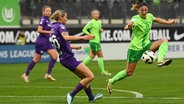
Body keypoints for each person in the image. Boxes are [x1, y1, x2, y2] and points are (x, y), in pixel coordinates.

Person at [106, 1, 177, 94]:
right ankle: (111, 81)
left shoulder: (150, 16)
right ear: (138, 10)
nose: (144, 12)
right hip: (135, 49)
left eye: (145, 10)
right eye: (142, 10)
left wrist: (169, 22)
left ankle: (160, 60)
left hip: (147, 45)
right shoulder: (135, 18)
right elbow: (127, 26)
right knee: (129, 72)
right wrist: (129, 26)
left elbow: (157, 20)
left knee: (164, 41)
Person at [50, 9, 103, 104]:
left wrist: (74, 47)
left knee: (84, 77)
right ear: (61, 18)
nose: (67, 19)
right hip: (68, 58)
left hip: (63, 58)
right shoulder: (61, 26)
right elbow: (66, 38)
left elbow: (62, 43)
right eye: (65, 17)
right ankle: (71, 94)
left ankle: (91, 97)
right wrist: (83, 37)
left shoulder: (53, 27)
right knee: (90, 76)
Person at [21, 5, 58, 82]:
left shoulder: (48, 20)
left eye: (50, 11)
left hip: (47, 42)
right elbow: (39, 30)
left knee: (55, 56)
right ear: (43, 12)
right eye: (47, 11)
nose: (48, 12)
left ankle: (48, 74)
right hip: (41, 42)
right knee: (36, 59)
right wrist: (49, 32)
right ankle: (25, 74)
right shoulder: (43, 20)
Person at [82, 9, 111, 76]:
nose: (96, 15)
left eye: (97, 14)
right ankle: (103, 71)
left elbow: (99, 29)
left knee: (91, 56)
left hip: (97, 41)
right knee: (100, 55)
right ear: (92, 15)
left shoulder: (99, 22)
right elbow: (84, 30)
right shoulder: (91, 22)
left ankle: (80, 67)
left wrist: (100, 30)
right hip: (94, 41)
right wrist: (90, 34)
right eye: (95, 14)